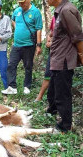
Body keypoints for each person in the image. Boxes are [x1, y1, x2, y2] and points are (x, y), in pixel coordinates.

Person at [46, 0, 83, 132]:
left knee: (63, 95)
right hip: (57, 59)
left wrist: (81, 55)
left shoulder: (67, 10)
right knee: (53, 91)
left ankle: (65, 126)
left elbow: (77, 36)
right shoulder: (60, 11)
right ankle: (52, 110)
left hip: (64, 60)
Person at [2, 0, 43, 95]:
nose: (21, 5)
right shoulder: (17, 11)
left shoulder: (35, 12)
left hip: (29, 45)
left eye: (23, 2)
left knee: (28, 66)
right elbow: (13, 19)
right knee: (11, 65)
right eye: (19, 3)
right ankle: (12, 87)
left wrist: (39, 45)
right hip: (16, 44)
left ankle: (27, 86)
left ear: (29, 0)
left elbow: (39, 29)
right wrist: (17, 28)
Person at [35, 17, 55, 101]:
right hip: (53, 52)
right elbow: (50, 32)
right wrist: (48, 40)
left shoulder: (66, 14)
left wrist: (53, 43)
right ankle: (39, 97)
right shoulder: (55, 17)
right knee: (48, 73)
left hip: (62, 52)